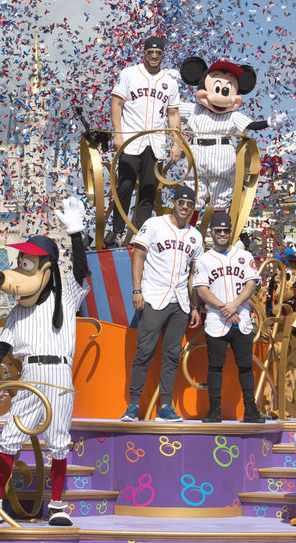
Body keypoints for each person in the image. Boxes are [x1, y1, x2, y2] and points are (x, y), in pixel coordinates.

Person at [0, 198, 90, 527]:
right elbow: (2, 346)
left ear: (46, 268)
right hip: (29, 376)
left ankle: (56, 506)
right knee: (11, 436)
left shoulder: (64, 296)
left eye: (28, 262)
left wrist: (76, 233)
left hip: (58, 374)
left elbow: (82, 270)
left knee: (58, 440)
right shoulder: (17, 312)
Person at [121, 185, 203, 423]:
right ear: (173, 202)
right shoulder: (155, 224)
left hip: (180, 301)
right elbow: (138, 255)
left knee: (171, 355)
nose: (185, 208)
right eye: (181, 203)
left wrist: (195, 306)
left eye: (189, 205)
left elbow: (193, 274)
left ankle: (165, 407)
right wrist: (136, 290)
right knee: (144, 352)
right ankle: (133, 406)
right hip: (154, 296)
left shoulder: (195, 236)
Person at [105, 35, 182, 248]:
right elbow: (116, 103)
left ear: (163, 55)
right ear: (144, 54)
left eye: (158, 53)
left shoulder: (169, 81)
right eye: (150, 53)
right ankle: (118, 231)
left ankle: (140, 234)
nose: (154, 56)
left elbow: (173, 114)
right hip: (131, 140)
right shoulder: (129, 73)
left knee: (149, 189)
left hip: (155, 143)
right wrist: (117, 134)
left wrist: (176, 143)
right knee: (125, 186)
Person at [192, 212, 262, 423]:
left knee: (245, 365)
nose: (222, 234)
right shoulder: (204, 259)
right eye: (218, 231)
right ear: (211, 233)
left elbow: (251, 283)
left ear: (231, 231)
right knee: (215, 365)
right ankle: (215, 410)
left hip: (240, 318)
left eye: (225, 230)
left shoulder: (244, 256)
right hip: (216, 319)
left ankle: (250, 408)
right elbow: (201, 290)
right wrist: (224, 307)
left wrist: (233, 306)